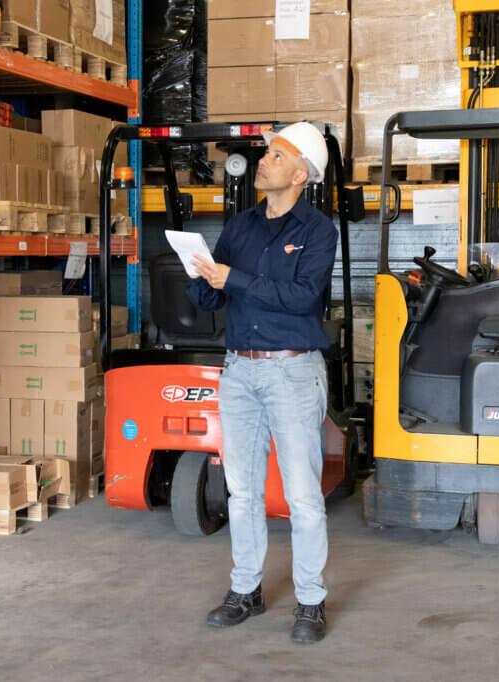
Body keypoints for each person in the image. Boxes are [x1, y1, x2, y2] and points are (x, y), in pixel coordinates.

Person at [187, 122, 338, 644]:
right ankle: (245, 589)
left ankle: (311, 600)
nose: (263, 161)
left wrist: (236, 279)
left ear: (299, 175)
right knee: (243, 490)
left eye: (275, 155)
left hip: (291, 370)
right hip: (240, 370)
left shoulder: (318, 231)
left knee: (301, 494)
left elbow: (302, 298)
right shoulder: (240, 226)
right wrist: (199, 276)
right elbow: (216, 299)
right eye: (265, 154)